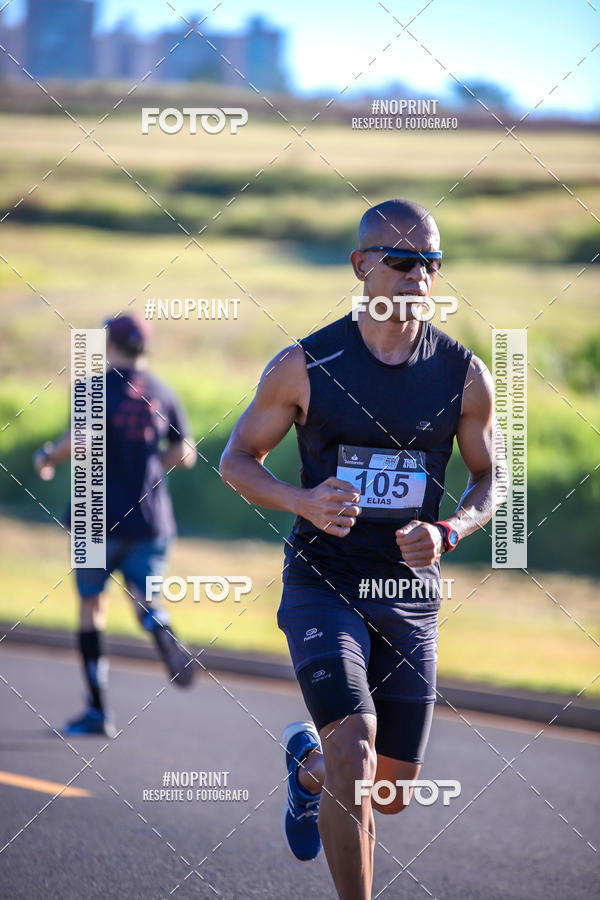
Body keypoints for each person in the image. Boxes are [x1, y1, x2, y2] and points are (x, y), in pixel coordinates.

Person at [220, 199, 506, 899]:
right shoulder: (306, 365)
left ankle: (307, 768)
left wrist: (449, 531)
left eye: (431, 262)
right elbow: (236, 461)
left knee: (390, 792)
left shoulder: (462, 375)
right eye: (403, 260)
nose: (419, 274)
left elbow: (491, 477)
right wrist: (302, 500)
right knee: (357, 752)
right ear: (362, 266)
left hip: (408, 595)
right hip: (325, 583)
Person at [33, 314, 197, 737]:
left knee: (92, 607)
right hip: (150, 519)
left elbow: (82, 440)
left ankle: (97, 711)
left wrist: (48, 456)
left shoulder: (93, 388)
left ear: (109, 344)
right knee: (146, 599)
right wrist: (152, 465)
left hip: (95, 520)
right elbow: (186, 452)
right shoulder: (162, 390)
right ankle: (158, 625)